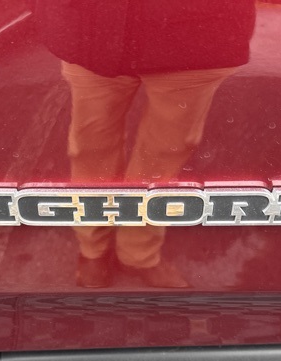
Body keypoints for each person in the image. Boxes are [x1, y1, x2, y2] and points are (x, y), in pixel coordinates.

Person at [37, 0, 257, 288]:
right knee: (91, 149)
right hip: (91, 31)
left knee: (165, 154)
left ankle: (138, 254)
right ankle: (93, 249)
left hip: (197, 37)